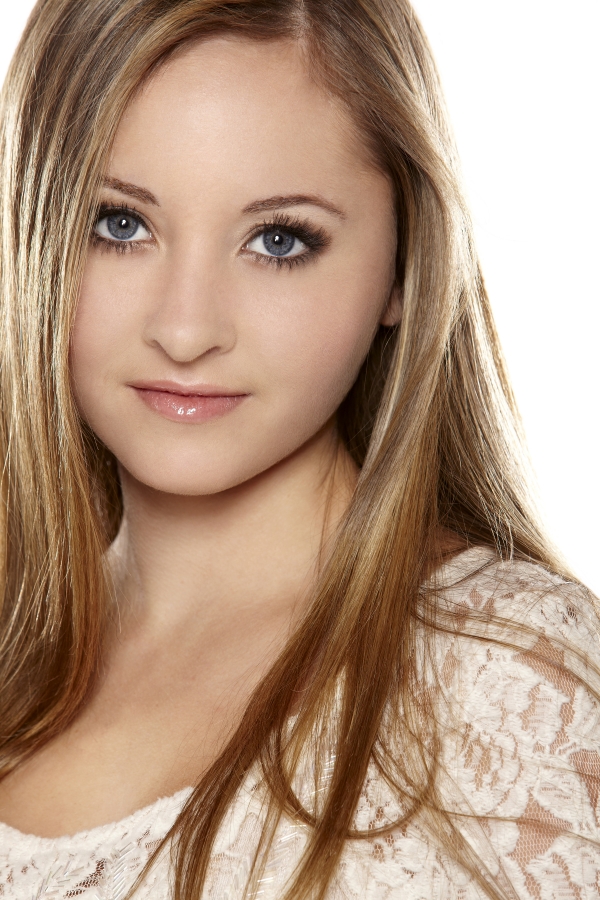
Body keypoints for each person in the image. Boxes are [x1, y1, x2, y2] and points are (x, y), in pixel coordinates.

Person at [0, 0, 598, 897]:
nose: (185, 330)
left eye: (279, 240)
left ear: (403, 268)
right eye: (119, 225)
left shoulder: (507, 680)